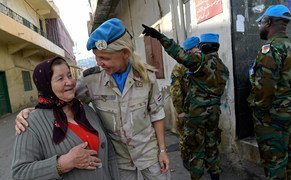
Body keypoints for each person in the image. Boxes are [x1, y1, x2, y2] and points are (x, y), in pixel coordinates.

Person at [15, 18, 170, 180]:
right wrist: (32, 111)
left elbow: (157, 114)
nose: (99, 63)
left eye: (105, 58)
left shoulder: (147, 77)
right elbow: (61, 97)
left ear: (125, 53)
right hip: (119, 158)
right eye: (97, 57)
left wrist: (162, 150)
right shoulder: (91, 80)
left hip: (148, 152)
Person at [142, 24, 229, 180]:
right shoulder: (223, 67)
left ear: (205, 46)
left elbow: (178, 53)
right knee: (212, 146)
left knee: (196, 149)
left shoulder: (200, 61)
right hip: (214, 112)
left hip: (197, 114)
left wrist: (160, 36)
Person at [11, 57, 119, 180]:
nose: (70, 82)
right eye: (60, 78)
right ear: (46, 85)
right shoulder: (30, 122)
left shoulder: (86, 110)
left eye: (69, 75)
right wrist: (62, 164)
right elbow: (20, 173)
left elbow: (110, 155)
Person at [247, 4, 291, 179]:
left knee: (274, 163)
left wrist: (259, 111)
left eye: (261, 23)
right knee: (286, 156)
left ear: (268, 22)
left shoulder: (270, 49)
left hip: (272, 117)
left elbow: (265, 88)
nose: (260, 27)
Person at [170, 36, 200, 165]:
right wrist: (180, 111)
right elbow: (175, 90)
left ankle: (197, 159)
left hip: (198, 109)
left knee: (197, 136)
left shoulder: (199, 63)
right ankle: (185, 159)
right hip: (186, 110)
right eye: (197, 47)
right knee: (185, 136)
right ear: (191, 49)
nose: (199, 50)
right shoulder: (180, 67)